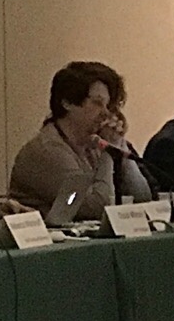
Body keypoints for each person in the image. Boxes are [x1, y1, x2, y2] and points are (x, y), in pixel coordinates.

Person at [9, 61, 141, 220]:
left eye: (108, 105)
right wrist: (108, 151)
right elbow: (96, 208)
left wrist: (119, 144)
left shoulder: (93, 142)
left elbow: (142, 197)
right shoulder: (47, 150)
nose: (106, 113)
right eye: (97, 103)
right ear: (67, 103)